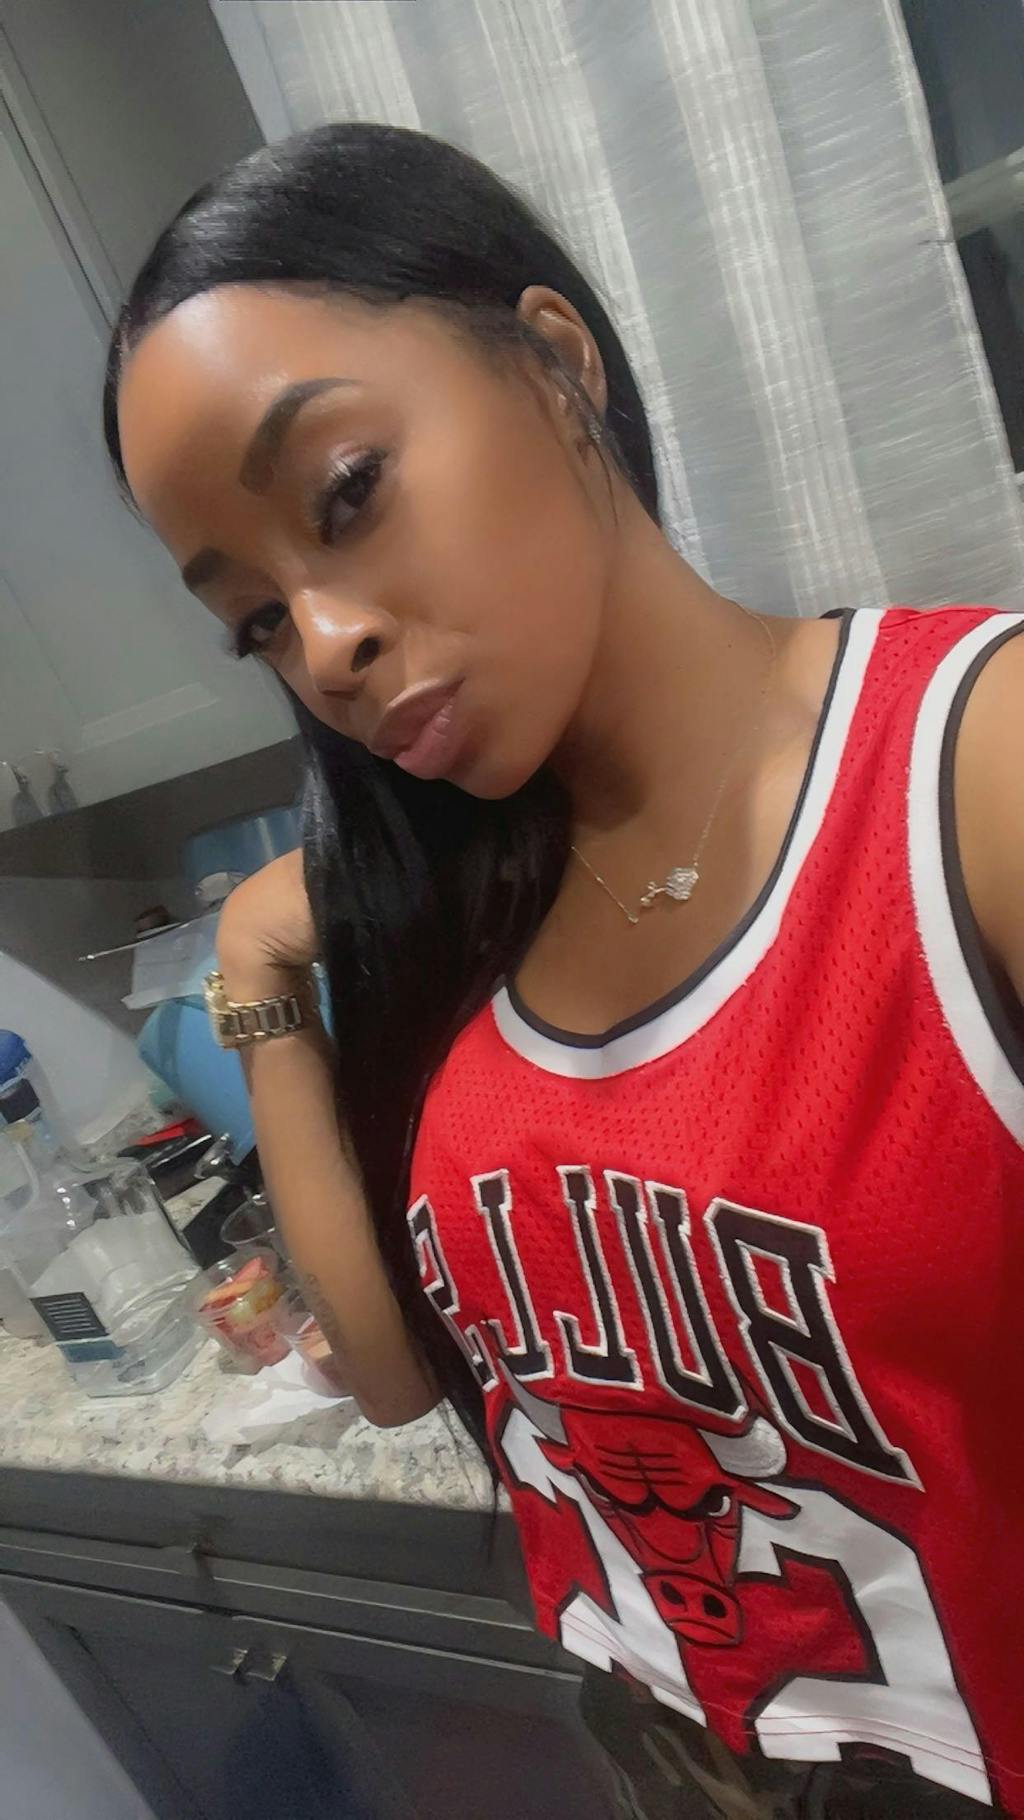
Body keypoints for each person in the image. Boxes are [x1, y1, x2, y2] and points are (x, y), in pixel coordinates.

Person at [104, 123, 1024, 1818]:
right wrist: (255, 961)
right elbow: (394, 1372)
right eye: (256, 621)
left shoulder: (966, 776)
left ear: (554, 362)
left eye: (347, 494)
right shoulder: (454, 910)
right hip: (664, 1744)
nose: (327, 645)